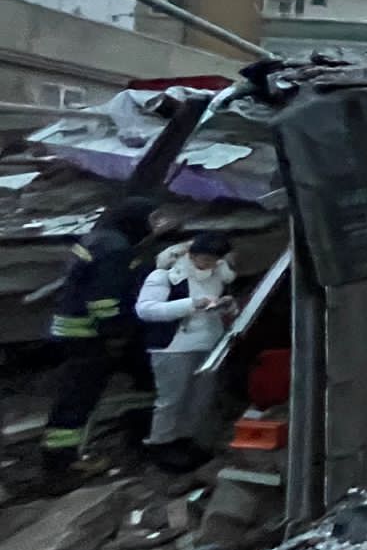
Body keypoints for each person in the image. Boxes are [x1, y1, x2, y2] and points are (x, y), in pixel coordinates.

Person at [42, 197, 160, 483]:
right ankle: (62, 465)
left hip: (74, 328)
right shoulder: (115, 249)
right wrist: (117, 332)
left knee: (138, 375)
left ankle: (139, 432)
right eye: (152, 221)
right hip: (90, 334)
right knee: (79, 396)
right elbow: (105, 300)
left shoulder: (99, 238)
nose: (154, 227)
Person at [134, 231, 237, 471]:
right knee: (171, 399)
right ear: (191, 255)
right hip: (173, 347)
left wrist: (224, 307)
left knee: (199, 398)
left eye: (213, 261)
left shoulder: (218, 277)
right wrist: (190, 305)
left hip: (208, 344)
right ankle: (161, 443)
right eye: (203, 259)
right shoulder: (165, 276)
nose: (207, 265)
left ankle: (187, 440)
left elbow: (215, 308)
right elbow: (146, 309)